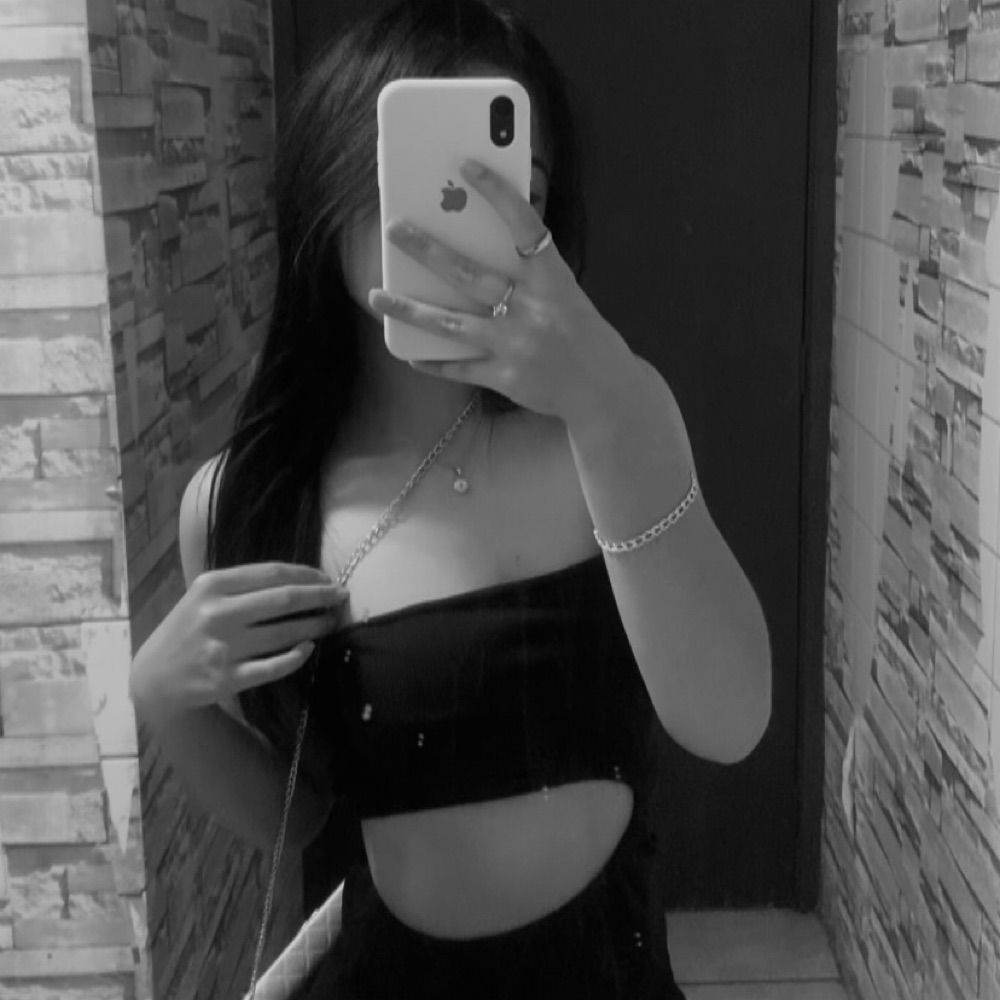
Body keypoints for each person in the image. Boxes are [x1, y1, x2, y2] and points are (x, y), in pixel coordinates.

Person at [128, 2, 773, 998]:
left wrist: (610, 399)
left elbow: (730, 719)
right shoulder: (248, 500)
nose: (460, 227)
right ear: (335, 179)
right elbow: (300, 816)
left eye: (512, 192)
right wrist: (164, 701)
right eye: (429, 180)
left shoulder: (605, 423)